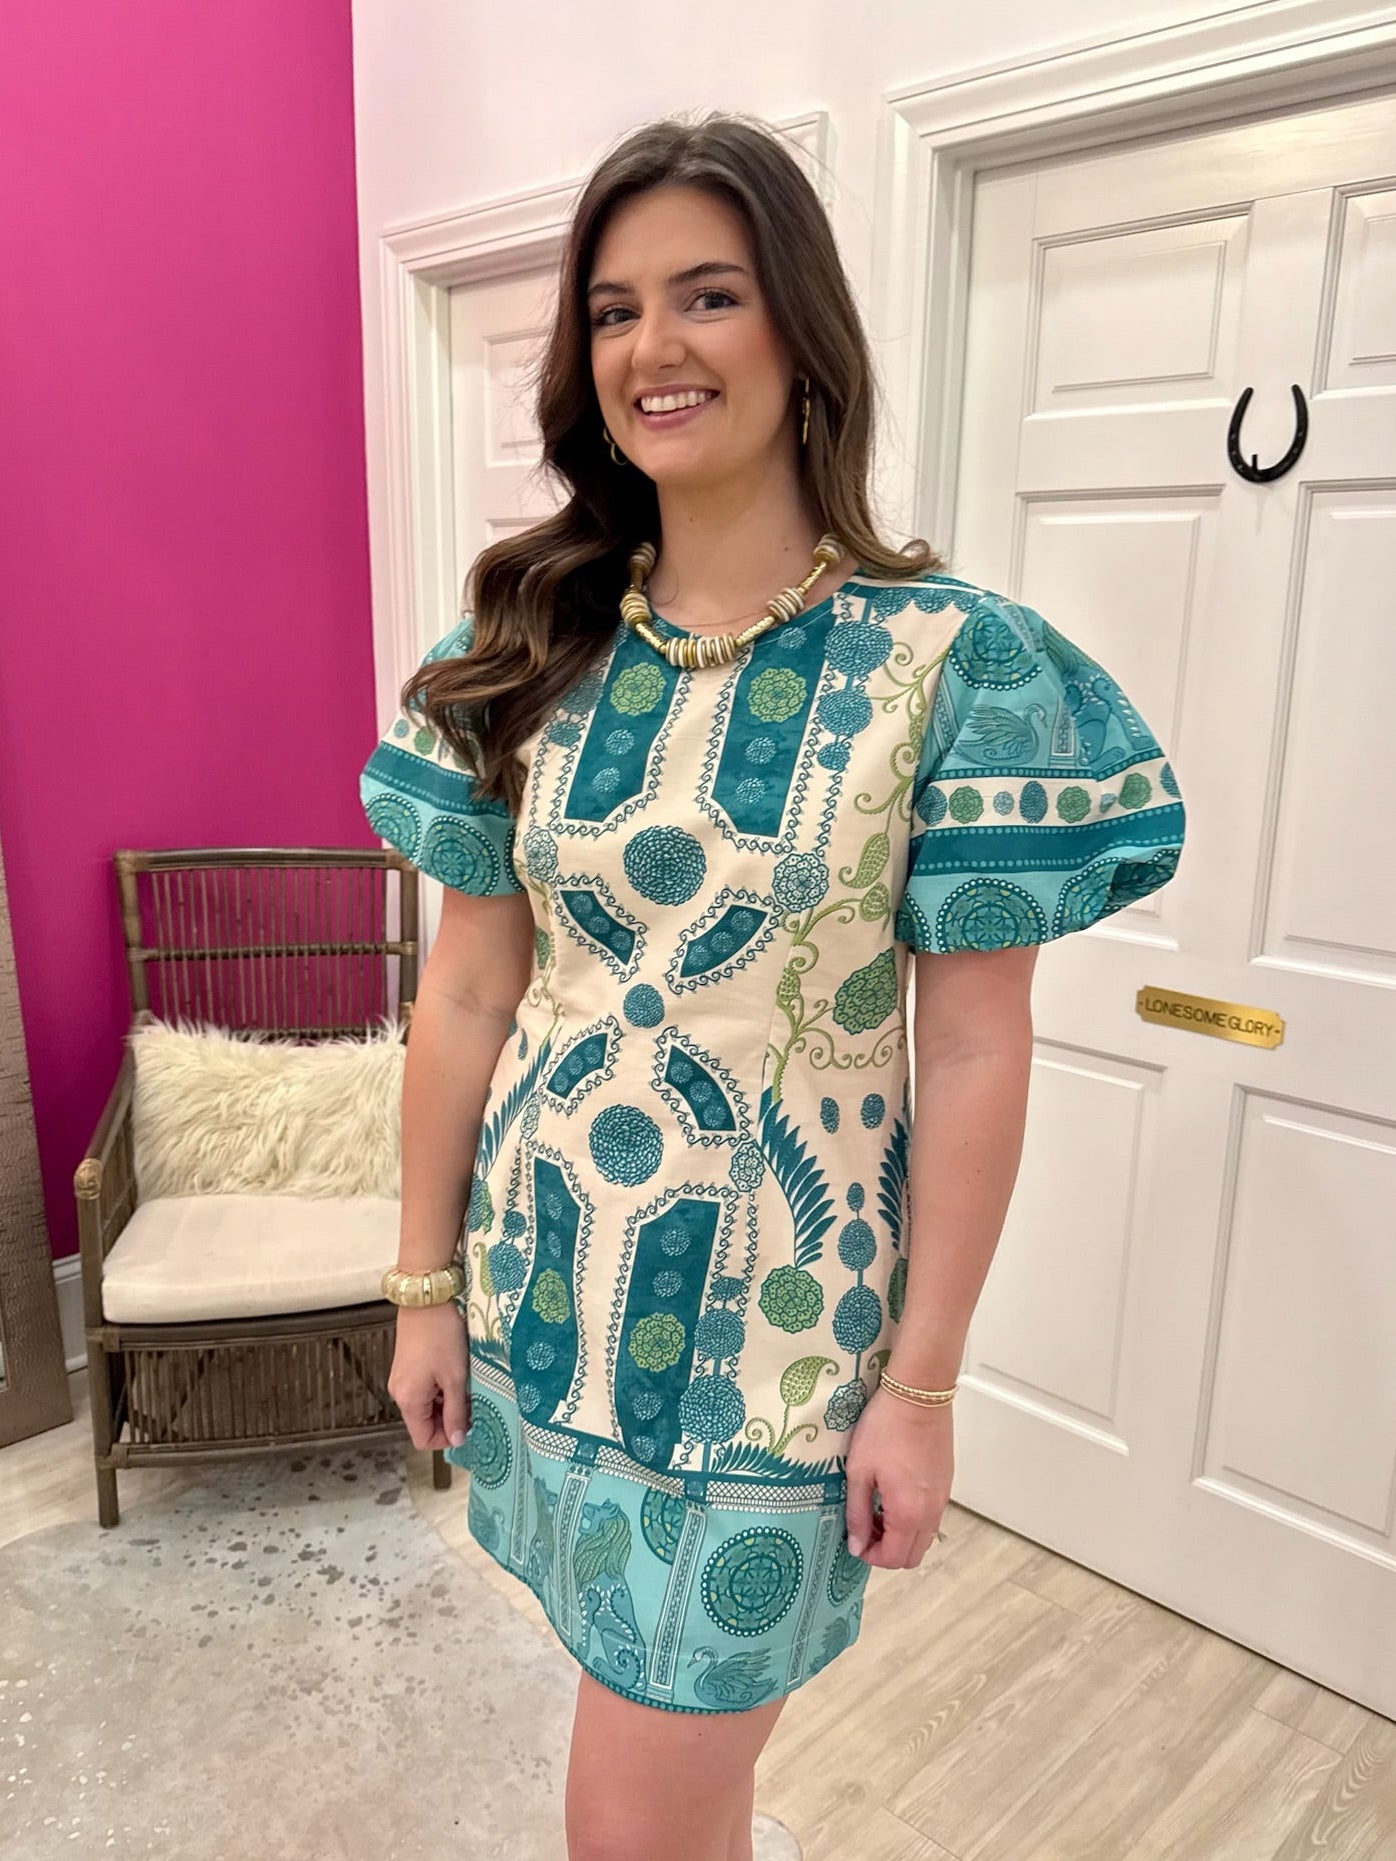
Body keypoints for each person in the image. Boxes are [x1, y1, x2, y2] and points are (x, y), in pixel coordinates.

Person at [361, 111, 1186, 1861]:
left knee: (634, 1811)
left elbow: (975, 1046)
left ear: (802, 330)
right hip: (547, 1290)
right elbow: (469, 993)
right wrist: (424, 1283)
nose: (652, 346)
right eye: (612, 310)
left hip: (783, 1348)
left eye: (708, 294)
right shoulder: (520, 647)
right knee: (671, 1770)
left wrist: (924, 1384)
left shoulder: (953, 665)